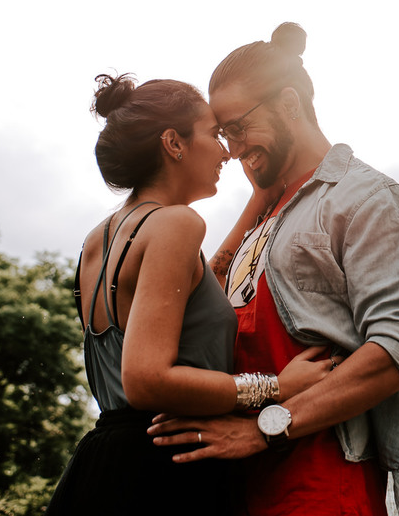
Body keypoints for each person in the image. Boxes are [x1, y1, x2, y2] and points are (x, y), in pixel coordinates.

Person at [149, 23, 399, 516]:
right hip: (240, 484)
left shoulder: (365, 198)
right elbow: (207, 301)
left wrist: (266, 426)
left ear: (288, 104)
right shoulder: (267, 212)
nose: (231, 148)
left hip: (322, 489)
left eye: (238, 128)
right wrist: (259, 203)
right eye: (222, 134)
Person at [46, 73, 331, 515]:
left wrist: (259, 200)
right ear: (173, 143)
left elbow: (193, 294)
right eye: (215, 134)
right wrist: (274, 387)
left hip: (101, 466)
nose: (226, 151)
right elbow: (145, 379)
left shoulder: (99, 239)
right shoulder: (176, 224)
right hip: (165, 470)